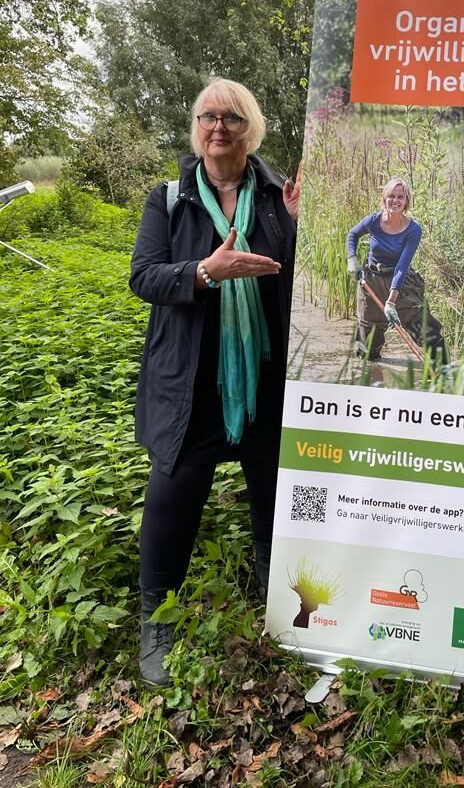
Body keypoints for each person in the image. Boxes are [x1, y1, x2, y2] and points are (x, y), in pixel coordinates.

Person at [130, 77, 300, 686]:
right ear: (196, 126)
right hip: (192, 383)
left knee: (272, 492)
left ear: (249, 126)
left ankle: (273, 588)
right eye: (208, 117)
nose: (219, 127)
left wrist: (306, 224)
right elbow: (145, 276)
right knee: (172, 501)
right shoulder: (169, 198)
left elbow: (308, 282)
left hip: (266, 376)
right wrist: (205, 271)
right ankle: (158, 618)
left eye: (231, 117)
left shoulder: (284, 195)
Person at [346, 177, 447, 363]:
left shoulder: (413, 230)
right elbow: (352, 234)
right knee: (368, 338)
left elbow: (403, 265)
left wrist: (391, 302)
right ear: (384, 198)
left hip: (401, 282)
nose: (395, 200)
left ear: (406, 201)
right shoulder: (374, 221)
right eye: (391, 196)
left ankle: (443, 367)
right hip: (372, 281)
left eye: (400, 197)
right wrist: (352, 259)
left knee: (421, 325)